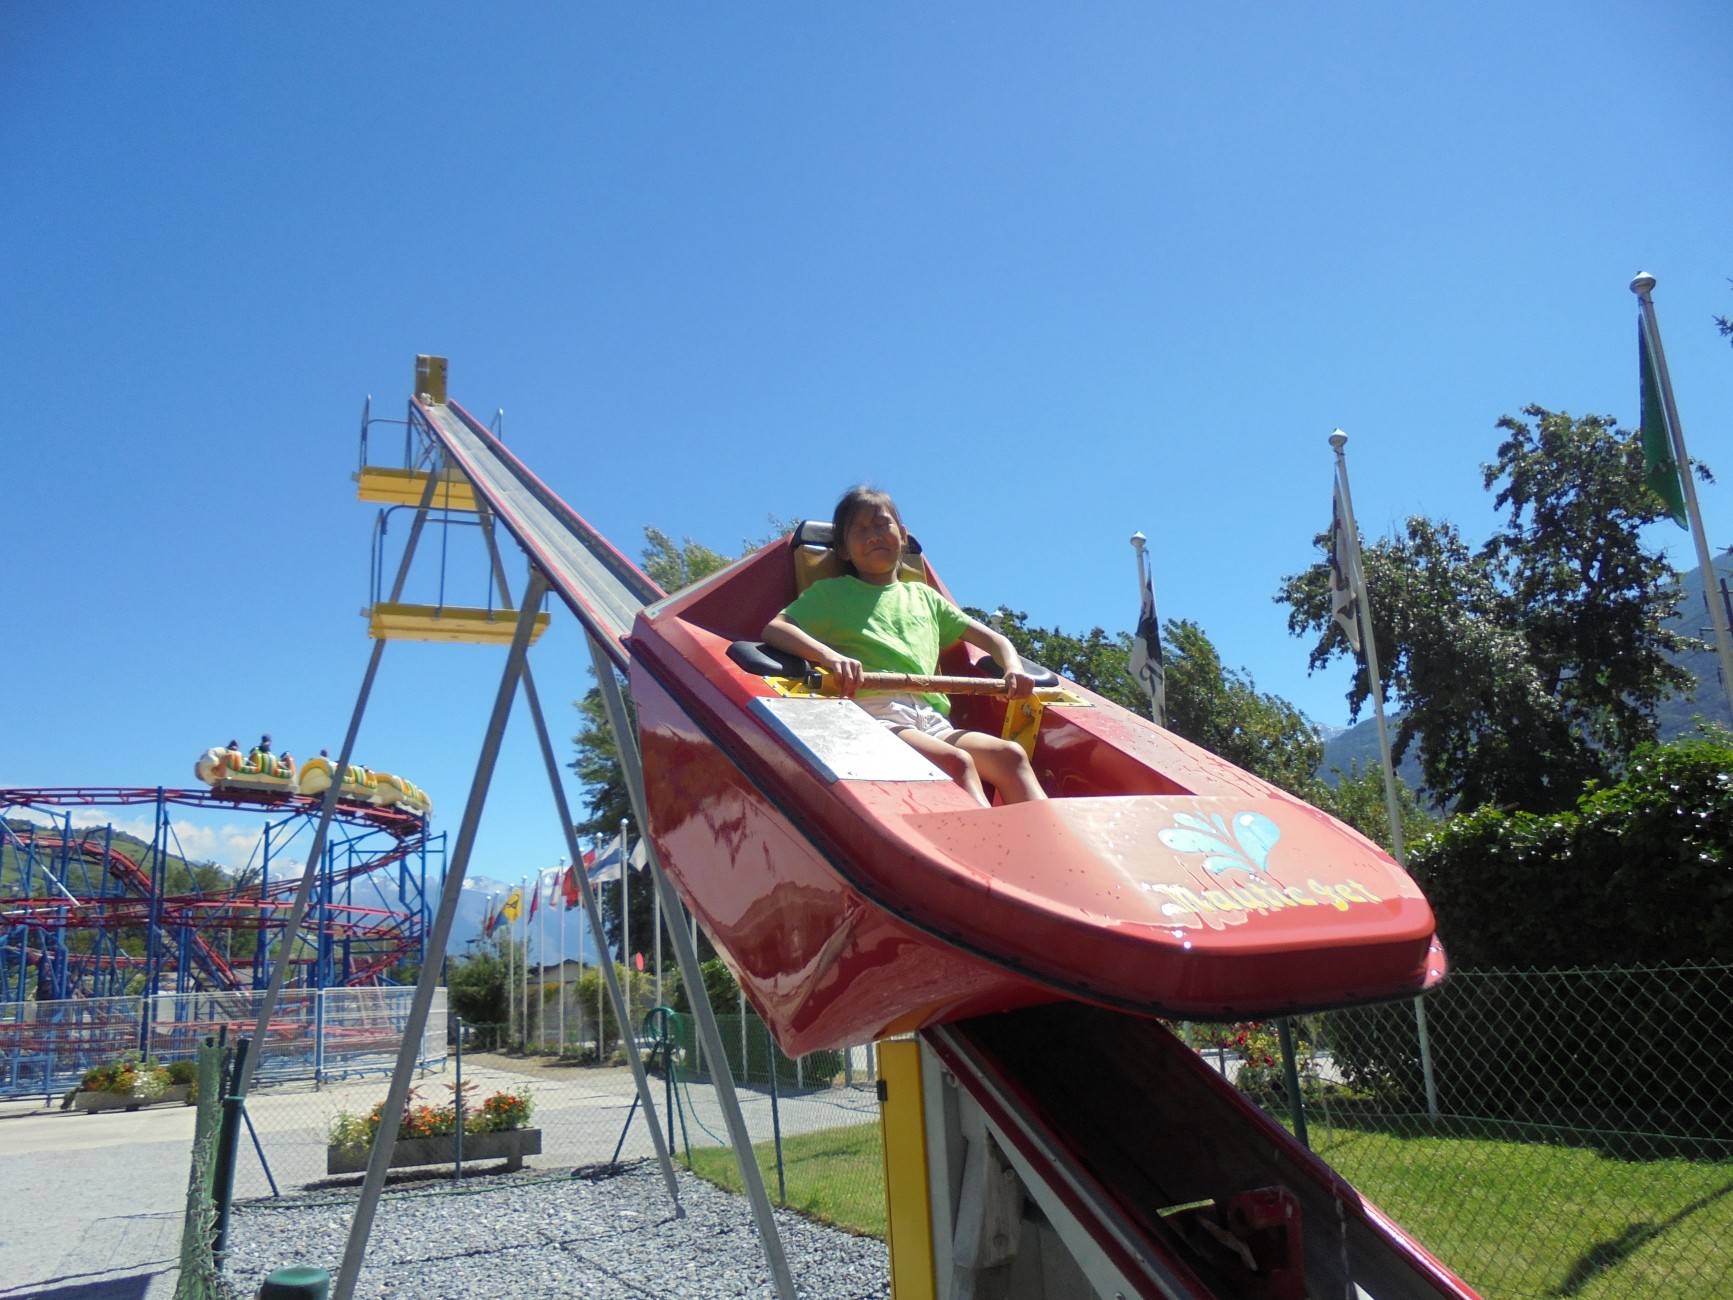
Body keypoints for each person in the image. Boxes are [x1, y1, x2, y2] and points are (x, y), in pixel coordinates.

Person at [763, 486, 1047, 807]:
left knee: (1011, 756)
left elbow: (995, 640)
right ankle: (991, 839)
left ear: (902, 533)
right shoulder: (831, 594)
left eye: (882, 524)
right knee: (957, 764)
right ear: (843, 549)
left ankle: (1050, 837)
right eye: (860, 530)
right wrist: (830, 657)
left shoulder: (925, 598)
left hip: (931, 718)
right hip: (874, 714)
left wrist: (1012, 669)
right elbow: (777, 629)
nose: (873, 536)